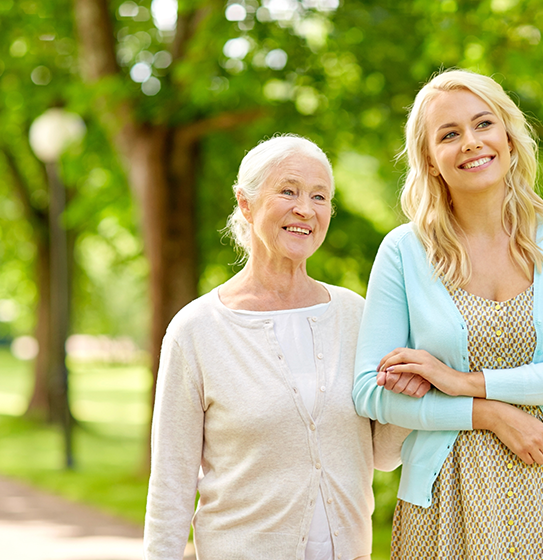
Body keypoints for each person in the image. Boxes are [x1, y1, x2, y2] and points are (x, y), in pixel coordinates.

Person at [352, 69, 543, 559]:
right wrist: (486, 414)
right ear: (430, 161)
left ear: (509, 139)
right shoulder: (404, 253)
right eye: (449, 135)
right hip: (442, 504)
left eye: (483, 124)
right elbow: (370, 391)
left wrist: (463, 381)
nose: (470, 143)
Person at [144, 135, 409, 560]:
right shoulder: (196, 330)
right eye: (288, 191)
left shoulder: (354, 315)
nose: (305, 208)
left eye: (320, 196)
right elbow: (171, 483)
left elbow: (381, 455)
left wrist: (405, 397)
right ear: (245, 203)